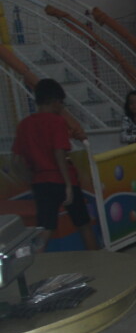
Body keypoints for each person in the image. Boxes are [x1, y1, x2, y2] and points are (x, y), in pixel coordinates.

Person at [12, 78, 99, 252]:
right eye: (61, 103)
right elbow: (59, 152)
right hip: (63, 179)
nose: (62, 107)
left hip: (40, 182)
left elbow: (16, 161)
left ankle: (34, 262)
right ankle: (98, 260)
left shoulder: (24, 124)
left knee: (45, 228)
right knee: (83, 224)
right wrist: (68, 185)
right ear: (55, 101)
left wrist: (30, 178)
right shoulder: (57, 121)